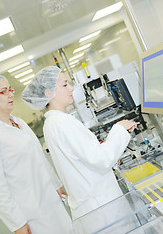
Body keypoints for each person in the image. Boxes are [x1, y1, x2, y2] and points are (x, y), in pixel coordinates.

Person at [22, 66, 138, 232]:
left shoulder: (53, 123)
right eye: (64, 85)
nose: (71, 88)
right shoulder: (62, 123)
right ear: (48, 93)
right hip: (103, 208)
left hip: (93, 206)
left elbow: (82, 157)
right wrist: (119, 128)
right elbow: (101, 159)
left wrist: (106, 147)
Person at [0, 75, 73, 234]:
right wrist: (17, 224)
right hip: (31, 212)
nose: (11, 94)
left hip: (50, 198)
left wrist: (56, 185)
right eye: (4, 92)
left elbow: (41, 159)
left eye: (11, 90)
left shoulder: (19, 123)